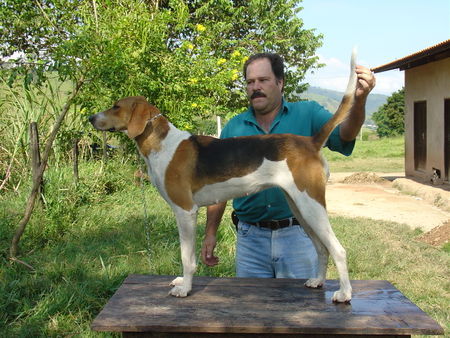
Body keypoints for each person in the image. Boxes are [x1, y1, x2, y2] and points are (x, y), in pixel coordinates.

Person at [201, 52, 376, 279]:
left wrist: (359, 100)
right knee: (253, 310)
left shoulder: (309, 113)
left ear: (280, 82)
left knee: (303, 308)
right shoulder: (234, 128)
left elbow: (345, 135)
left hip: (297, 235)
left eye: (263, 80)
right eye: (250, 82)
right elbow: (218, 187)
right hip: (250, 238)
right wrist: (210, 233)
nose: (255, 87)